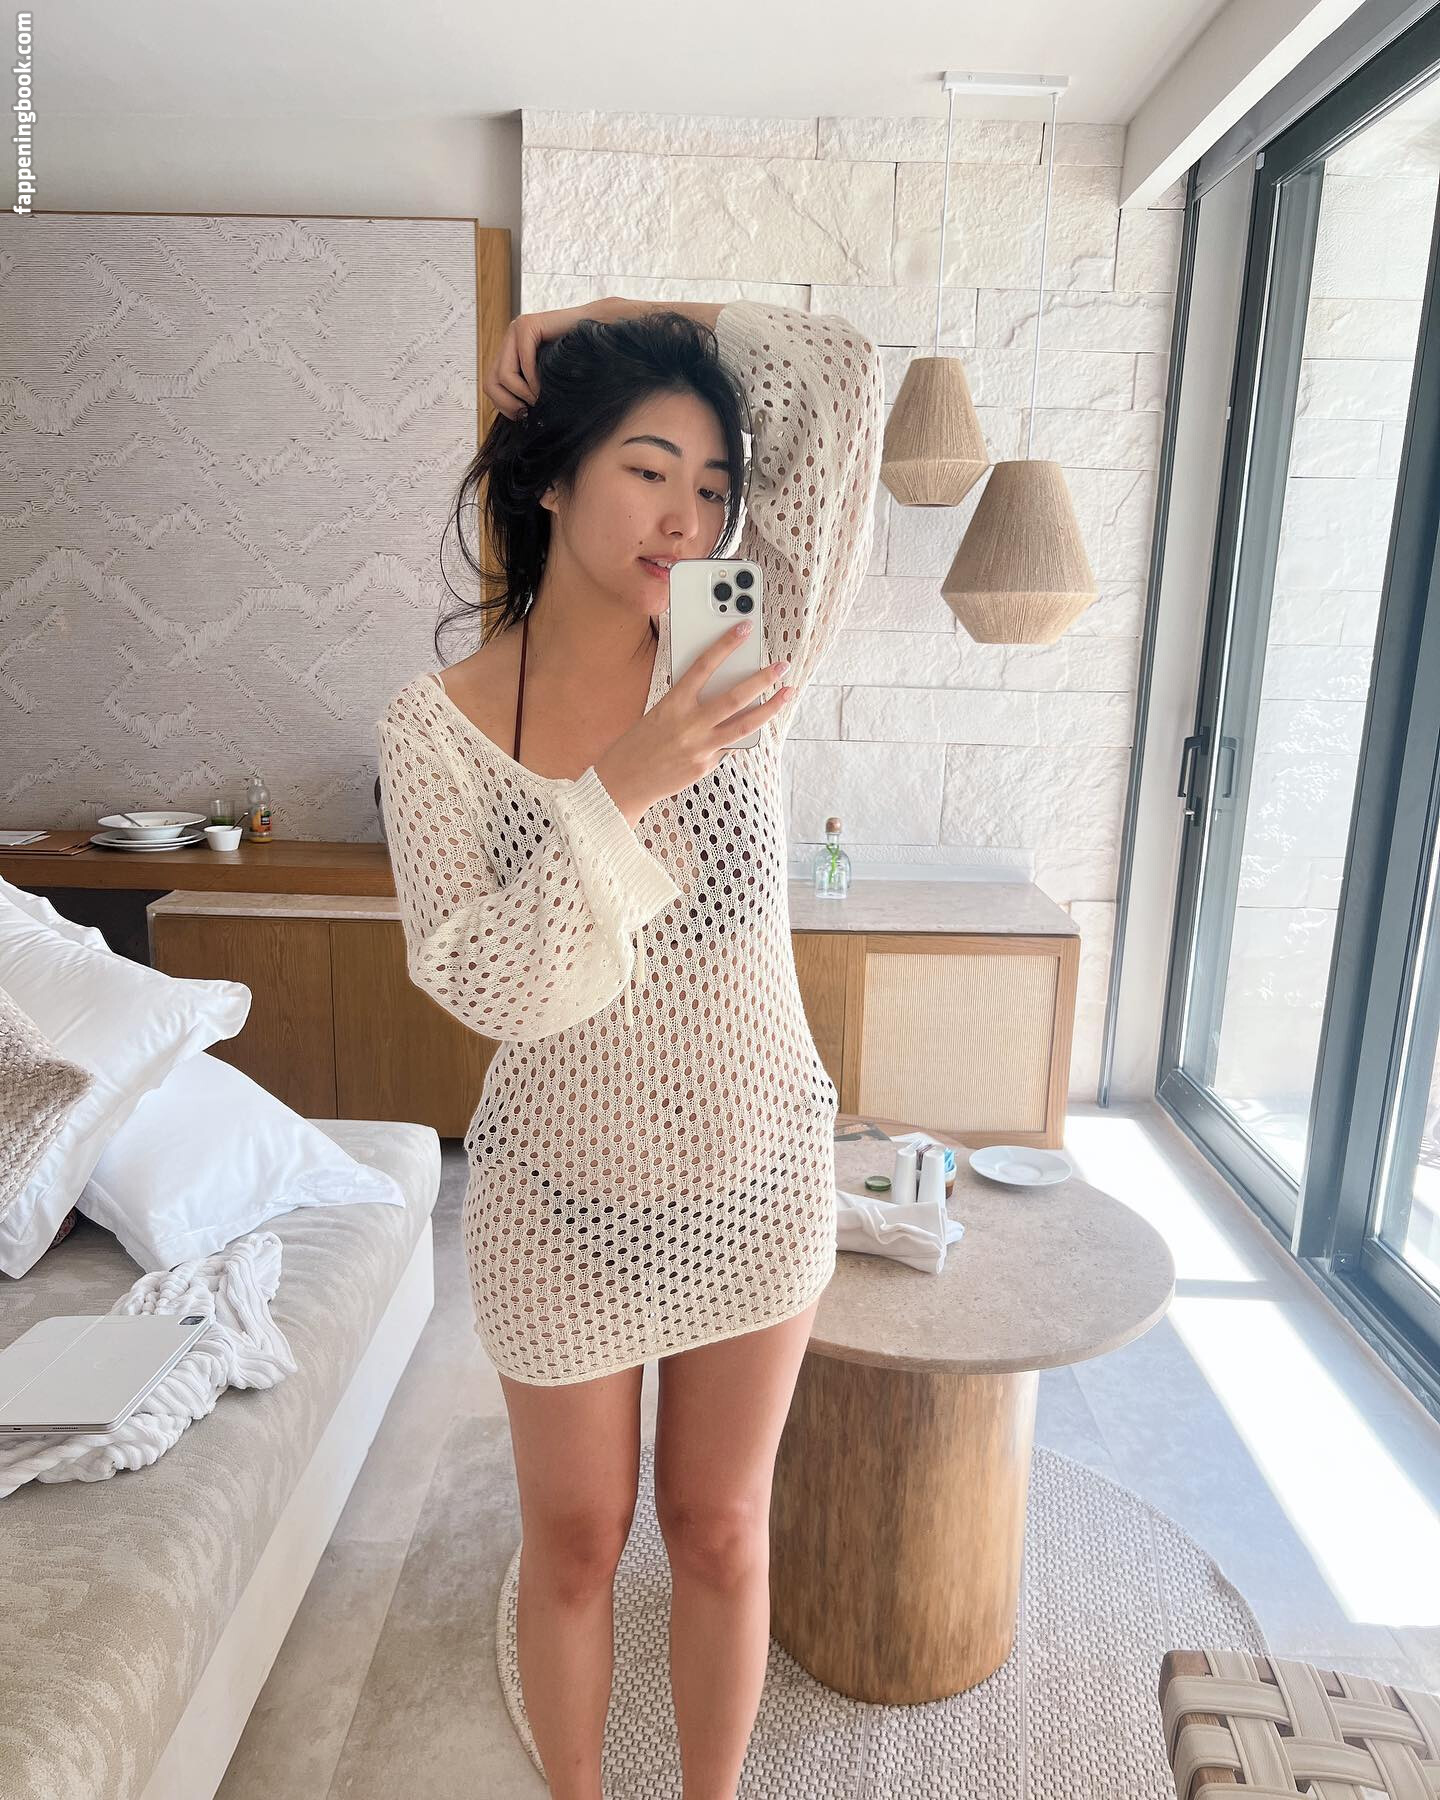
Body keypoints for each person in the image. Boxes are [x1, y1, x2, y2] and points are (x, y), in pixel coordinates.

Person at [376, 294, 883, 1800]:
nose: (688, 516)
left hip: (754, 1171)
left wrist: (592, 317)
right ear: (549, 478)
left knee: (719, 1530)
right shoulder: (437, 725)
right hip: (556, 1201)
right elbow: (487, 983)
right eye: (648, 470)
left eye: (713, 486)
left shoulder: (737, 640)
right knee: (577, 1542)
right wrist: (630, 783)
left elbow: (842, 373)